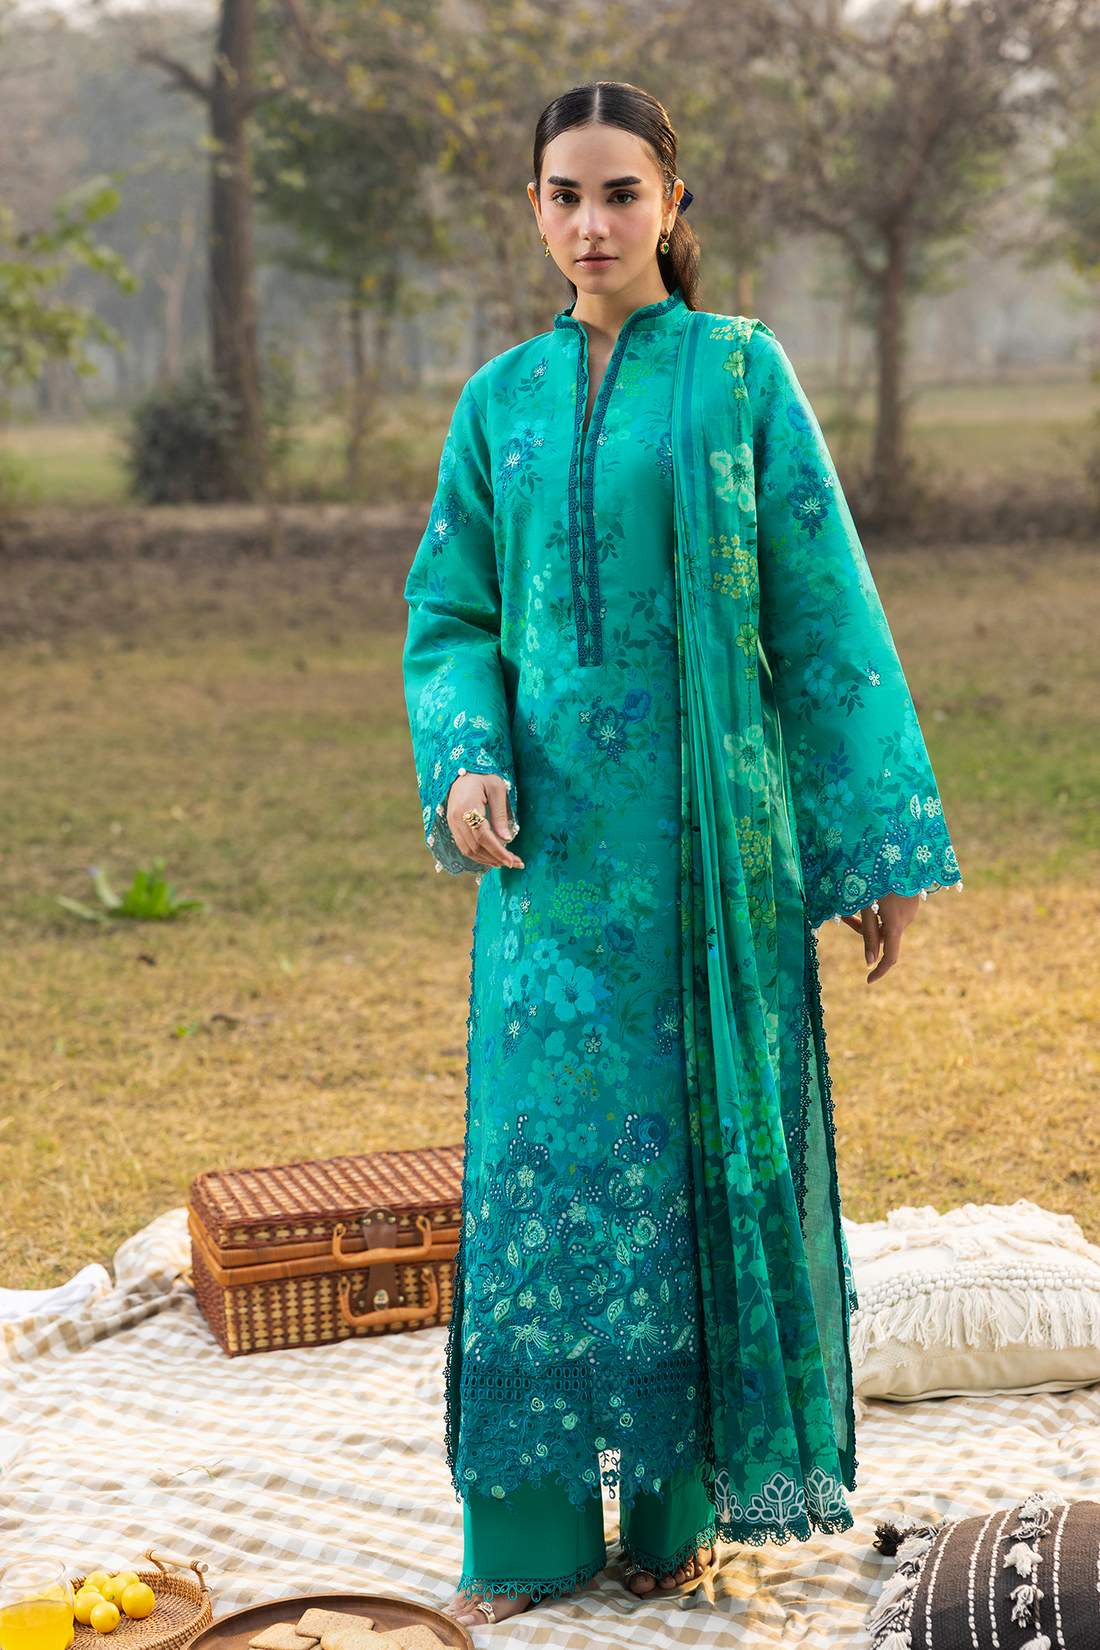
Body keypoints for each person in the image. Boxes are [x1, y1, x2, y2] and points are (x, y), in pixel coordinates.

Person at [402, 80, 960, 1630]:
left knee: (696, 1153)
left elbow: (825, 611)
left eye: (621, 193)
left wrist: (872, 848)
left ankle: (673, 1509)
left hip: (713, 857)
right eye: (565, 195)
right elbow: (448, 613)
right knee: (540, 1162)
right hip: (548, 864)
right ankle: (523, 1527)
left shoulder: (738, 375)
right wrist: (466, 756)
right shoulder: (497, 403)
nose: (592, 223)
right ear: (533, 208)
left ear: (672, 202)